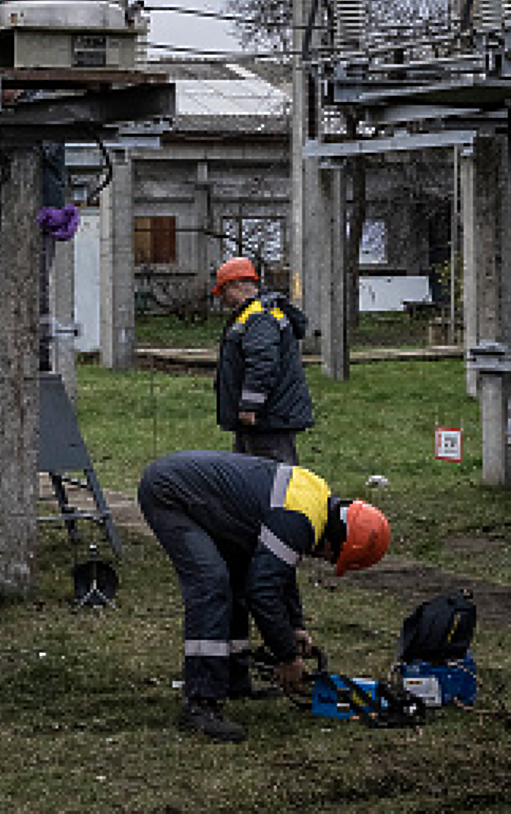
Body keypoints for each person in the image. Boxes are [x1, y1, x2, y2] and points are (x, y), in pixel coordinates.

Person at [137, 449, 389, 743]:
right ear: (338, 542)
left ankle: (234, 679)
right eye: (335, 559)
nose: (326, 561)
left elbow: (282, 567)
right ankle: (200, 703)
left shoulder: (315, 501)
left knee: (239, 577)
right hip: (170, 494)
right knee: (211, 584)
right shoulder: (297, 518)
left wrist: (295, 626)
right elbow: (264, 591)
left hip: (199, 494)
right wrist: (288, 656)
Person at [212, 256, 313, 465]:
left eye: (224, 291)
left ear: (236, 284)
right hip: (263, 416)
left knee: (274, 475)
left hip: (268, 417)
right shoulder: (252, 313)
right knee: (250, 475)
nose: (223, 298)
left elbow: (262, 363)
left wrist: (250, 405)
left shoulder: (260, 317)